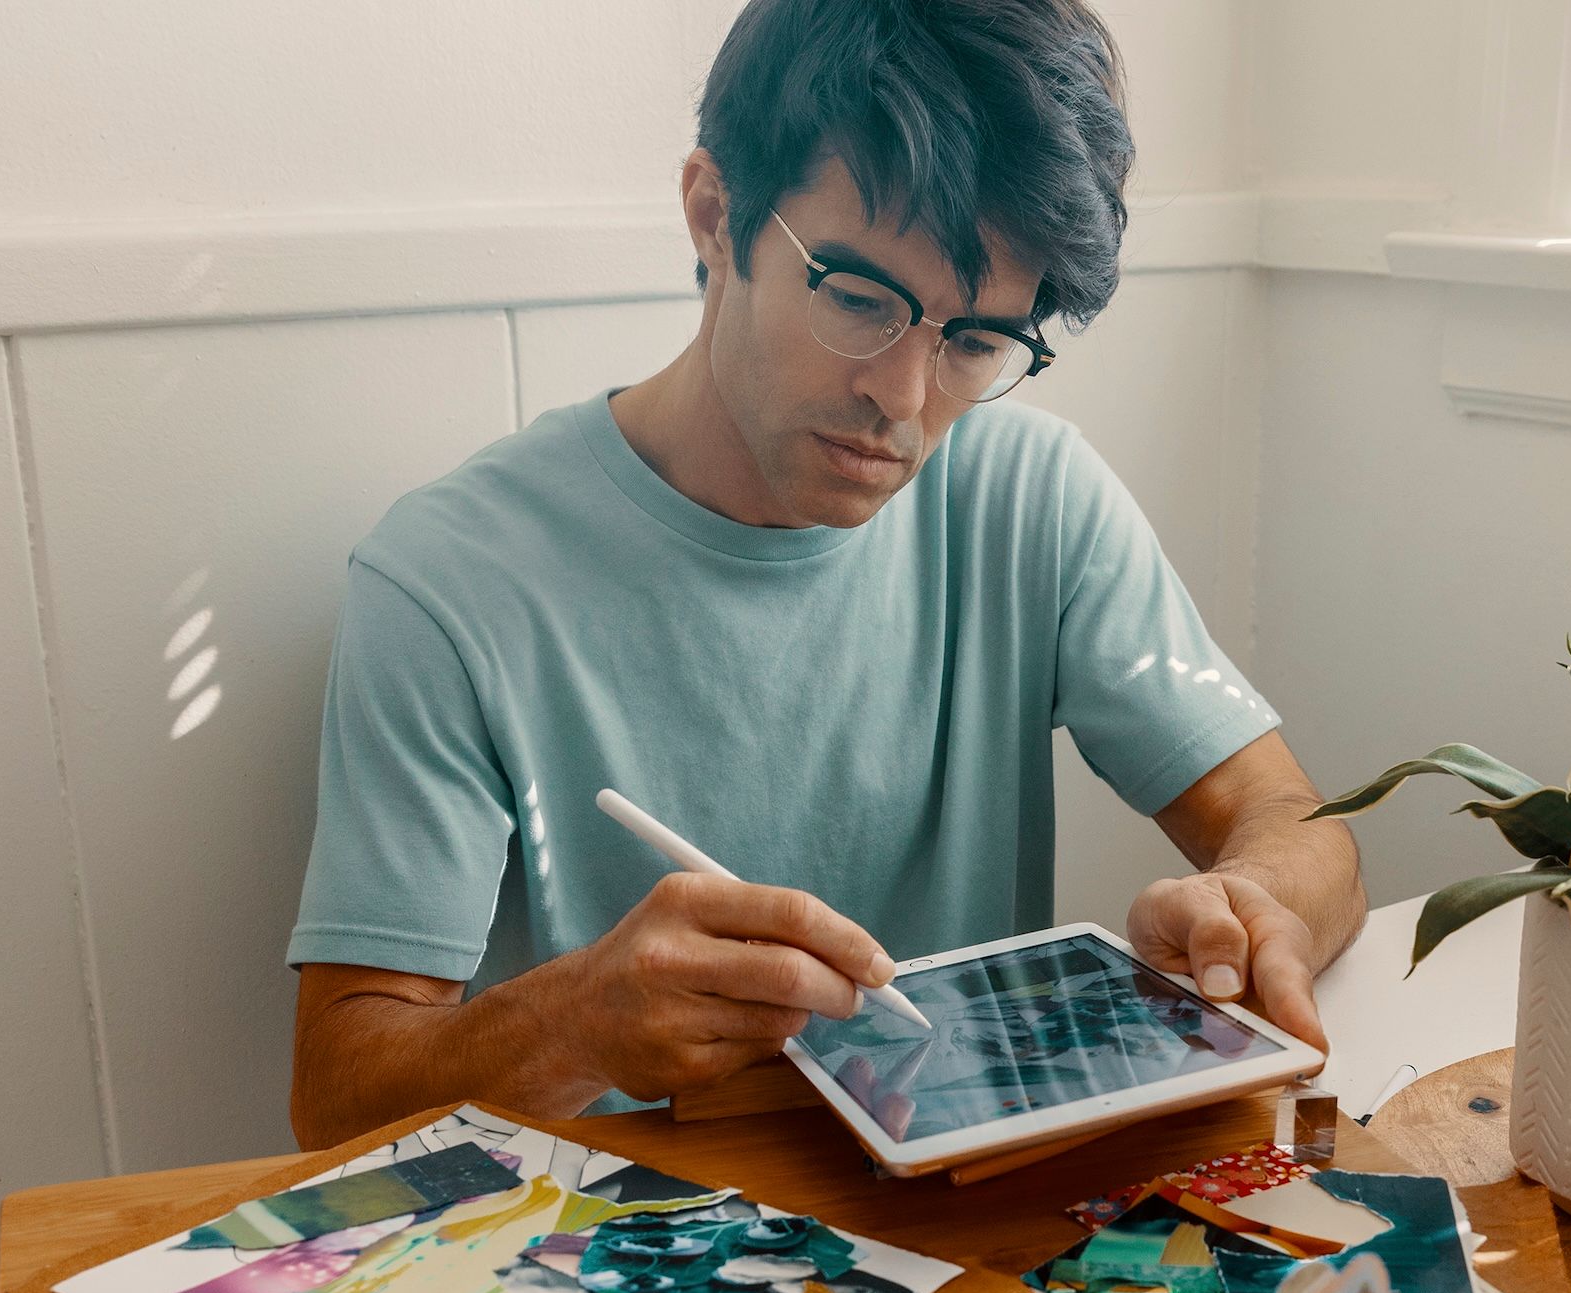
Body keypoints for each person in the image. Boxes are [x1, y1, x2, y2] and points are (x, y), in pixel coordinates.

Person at [286, 0, 1364, 1149]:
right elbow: (335, 1097)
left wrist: (1251, 908)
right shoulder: (448, 581)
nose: (902, 400)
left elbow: (1296, 824)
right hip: (615, 1268)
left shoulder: (1032, 496)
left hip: (973, 1226)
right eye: (859, 300)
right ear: (713, 214)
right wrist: (575, 1025)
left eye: (974, 340)